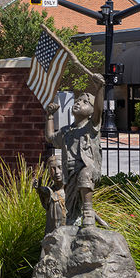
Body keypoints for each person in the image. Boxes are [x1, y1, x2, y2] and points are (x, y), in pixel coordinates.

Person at [45, 72, 105, 227]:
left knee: (85, 176)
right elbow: (50, 137)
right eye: (78, 100)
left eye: (85, 102)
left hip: (86, 168)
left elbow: (99, 109)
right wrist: (49, 116)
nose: (79, 103)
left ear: (91, 111)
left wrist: (100, 89)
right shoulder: (66, 131)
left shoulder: (91, 127)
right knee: (71, 209)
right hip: (69, 173)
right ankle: (73, 226)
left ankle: (88, 213)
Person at [33, 155, 66, 234]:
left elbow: (87, 208)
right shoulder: (50, 192)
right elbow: (43, 191)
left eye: (60, 167)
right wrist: (38, 187)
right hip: (53, 237)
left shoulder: (72, 192)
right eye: (53, 169)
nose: (57, 172)